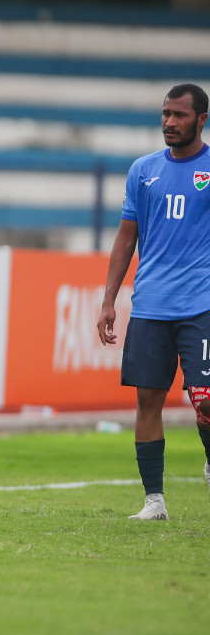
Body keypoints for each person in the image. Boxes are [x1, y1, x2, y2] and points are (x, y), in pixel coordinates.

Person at [97, 83, 210, 520]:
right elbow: (126, 239)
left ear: (201, 120)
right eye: (165, 114)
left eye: (179, 115)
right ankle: (154, 501)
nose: (169, 122)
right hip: (150, 306)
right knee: (148, 398)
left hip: (201, 304)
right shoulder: (142, 171)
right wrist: (109, 300)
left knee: (205, 398)